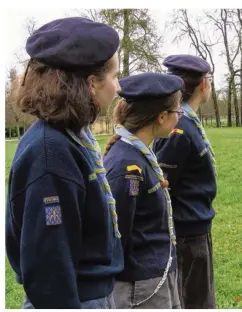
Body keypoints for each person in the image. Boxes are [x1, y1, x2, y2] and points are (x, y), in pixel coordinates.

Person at [6, 17, 123, 309]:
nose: (119, 87)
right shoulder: (51, 152)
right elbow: (50, 272)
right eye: (114, 75)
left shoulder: (72, 134)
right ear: (92, 83)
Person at [103, 73, 184, 308]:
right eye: (177, 112)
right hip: (141, 286)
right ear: (161, 117)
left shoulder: (138, 155)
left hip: (155, 276)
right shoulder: (127, 167)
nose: (179, 118)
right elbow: (118, 237)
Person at [153, 54, 217, 309]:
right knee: (194, 302)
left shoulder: (187, 122)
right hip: (186, 235)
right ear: (203, 84)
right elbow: (165, 185)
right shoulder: (180, 129)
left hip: (194, 227)